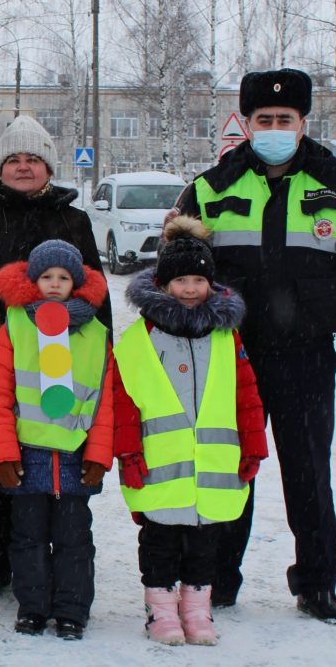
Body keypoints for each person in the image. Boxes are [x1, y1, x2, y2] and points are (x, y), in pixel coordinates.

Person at [175, 69, 336, 623]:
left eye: (283, 120)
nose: (273, 128)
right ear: (246, 124)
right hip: (230, 355)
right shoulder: (210, 188)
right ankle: (217, 578)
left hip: (305, 355)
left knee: (309, 471)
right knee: (228, 466)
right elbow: (174, 270)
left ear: (302, 123)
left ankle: (316, 584)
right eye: (262, 120)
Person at [0, 115, 111, 600]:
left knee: (49, 461)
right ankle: (0, 555)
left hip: (56, 364)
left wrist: (103, 348)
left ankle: (45, 555)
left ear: (48, 166)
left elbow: (95, 291)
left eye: (32, 158)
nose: (22, 166)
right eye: (13, 158)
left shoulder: (72, 220)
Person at [113, 216, 267, 646]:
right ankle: (160, 612)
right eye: (180, 279)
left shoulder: (226, 338)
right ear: (163, 285)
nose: (190, 288)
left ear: (211, 285)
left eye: (198, 279)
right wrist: (127, 452)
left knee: (205, 547)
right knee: (159, 544)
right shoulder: (139, 340)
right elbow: (122, 401)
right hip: (159, 468)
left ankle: (197, 611)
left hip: (214, 467)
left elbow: (246, 396)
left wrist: (253, 445)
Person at [0, 240, 114, 641]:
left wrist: (99, 456)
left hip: (75, 457)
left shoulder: (96, 333)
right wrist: (1, 454)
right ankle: (33, 607)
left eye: (63, 277)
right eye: (46, 277)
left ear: (77, 283)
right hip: (26, 457)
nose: (54, 284)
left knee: (74, 540)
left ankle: (71, 611)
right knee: (27, 539)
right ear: (33, 281)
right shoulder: (15, 325)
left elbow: (106, 402)